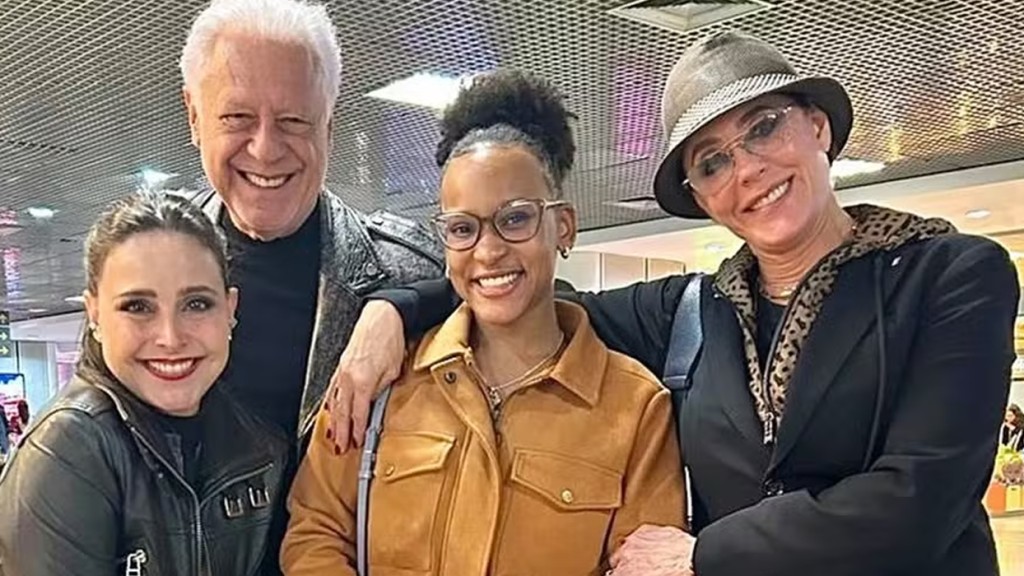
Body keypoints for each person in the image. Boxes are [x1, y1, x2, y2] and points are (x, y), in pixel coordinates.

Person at [329, 32, 1020, 576]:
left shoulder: (946, 276)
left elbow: (922, 499)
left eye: (763, 128)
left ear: (818, 128)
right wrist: (393, 309)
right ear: (700, 195)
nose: (746, 168)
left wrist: (705, 555)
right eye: (712, 161)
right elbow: (526, 291)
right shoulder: (695, 310)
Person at [281, 70, 685, 575]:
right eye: (462, 228)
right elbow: (315, 530)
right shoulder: (382, 380)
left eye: (515, 219)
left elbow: (646, 564)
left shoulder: (635, 408)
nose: (488, 251)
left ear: (563, 227)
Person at [178, 0, 443, 569]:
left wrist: (401, 305)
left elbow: (533, 307)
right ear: (194, 116)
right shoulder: (148, 274)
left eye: (294, 120)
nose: (266, 148)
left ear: (329, 122)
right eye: (237, 118)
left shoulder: (406, 269)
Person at [0, 192, 289, 575]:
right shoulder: (69, 447)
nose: (170, 337)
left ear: (230, 310)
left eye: (196, 303)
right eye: (137, 306)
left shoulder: (256, 441)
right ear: (95, 315)